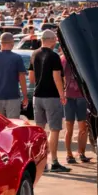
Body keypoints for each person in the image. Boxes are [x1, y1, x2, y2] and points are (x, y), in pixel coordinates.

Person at [30, 30, 69, 173]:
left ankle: (41, 162)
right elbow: (57, 77)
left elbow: (32, 77)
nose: (56, 42)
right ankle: (54, 161)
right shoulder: (54, 56)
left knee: (40, 130)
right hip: (51, 96)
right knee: (54, 129)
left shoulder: (34, 54)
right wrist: (62, 94)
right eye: (55, 40)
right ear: (51, 40)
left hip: (37, 96)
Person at [0, 33, 29, 119]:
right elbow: (22, 78)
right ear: (12, 43)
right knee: (13, 123)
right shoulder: (17, 58)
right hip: (13, 96)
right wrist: (25, 96)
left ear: (1, 43)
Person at [62, 53, 90, 164]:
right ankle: (69, 154)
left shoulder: (81, 57)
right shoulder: (64, 59)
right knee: (70, 127)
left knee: (82, 127)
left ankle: (81, 153)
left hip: (81, 96)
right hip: (70, 96)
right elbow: (60, 76)